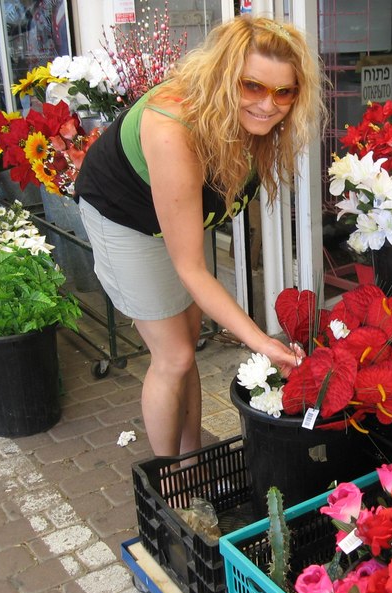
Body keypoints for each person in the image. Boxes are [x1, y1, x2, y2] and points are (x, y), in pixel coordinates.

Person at [74, 16, 324, 457]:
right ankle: (169, 484)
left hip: (175, 212)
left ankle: (193, 457)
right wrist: (262, 341)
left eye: (284, 92)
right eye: (252, 86)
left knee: (186, 342)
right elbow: (191, 267)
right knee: (172, 357)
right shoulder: (174, 130)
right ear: (226, 78)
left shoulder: (251, 121)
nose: (269, 104)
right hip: (125, 214)